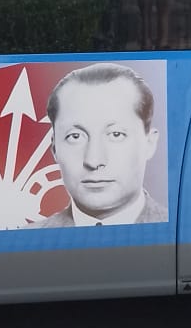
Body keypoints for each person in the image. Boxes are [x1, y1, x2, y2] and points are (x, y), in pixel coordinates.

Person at [38, 62, 167, 226]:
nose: (93, 161)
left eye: (116, 134)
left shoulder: (185, 229)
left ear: (149, 143)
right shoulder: (29, 236)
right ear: (54, 148)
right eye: (75, 136)